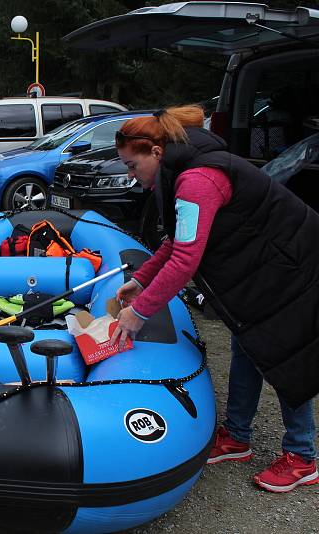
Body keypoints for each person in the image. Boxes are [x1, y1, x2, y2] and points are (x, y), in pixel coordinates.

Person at [109, 105, 319, 493]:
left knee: (287, 352)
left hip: (288, 268)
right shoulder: (179, 170)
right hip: (258, 269)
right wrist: (141, 279)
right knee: (248, 347)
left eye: (132, 166)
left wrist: (137, 313)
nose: (132, 178)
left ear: (155, 152)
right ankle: (238, 435)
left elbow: (186, 260)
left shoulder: (197, 180)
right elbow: (177, 240)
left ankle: (303, 455)